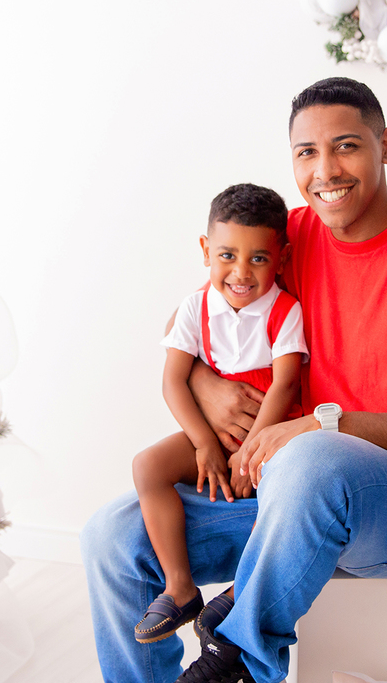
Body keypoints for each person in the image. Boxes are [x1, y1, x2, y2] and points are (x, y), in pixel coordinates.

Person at [81, 77, 387, 683]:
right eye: (307, 152)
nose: (325, 170)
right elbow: (188, 320)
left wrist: (322, 426)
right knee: (112, 536)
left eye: (347, 146)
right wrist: (204, 384)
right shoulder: (288, 239)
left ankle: (237, 660)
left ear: (386, 144)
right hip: (279, 491)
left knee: (312, 458)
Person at [131, 184, 307, 645]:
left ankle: (243, 592)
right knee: (147, 467)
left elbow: (285, 386)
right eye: (227, 255)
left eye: (258, 259)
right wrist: (206, 444)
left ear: (281, 259)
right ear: (206, 250)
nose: (241, 272)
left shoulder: (285, 311)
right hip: (213, 435)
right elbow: (173, 381)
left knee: (292, 496)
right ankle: (180, 587)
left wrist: (251, 454)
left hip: (269, 437)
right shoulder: (195, 308)